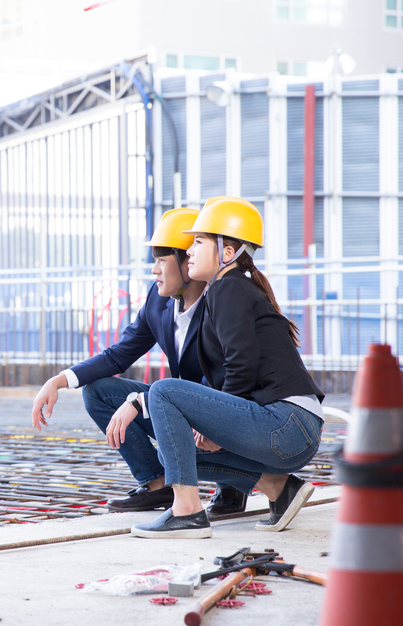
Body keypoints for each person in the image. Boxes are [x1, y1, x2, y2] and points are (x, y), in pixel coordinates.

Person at [30, 208, 248, 516]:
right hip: (185, 408)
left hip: (226, 411)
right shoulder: (158, 301)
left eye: (162, 260)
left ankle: (233, 483)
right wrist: (58, 381)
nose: (155, 271)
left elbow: (231, 375)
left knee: (163, 400)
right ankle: (156, 483)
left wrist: (141, 401)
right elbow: (119, 354)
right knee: (98, 391)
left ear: (189, 261)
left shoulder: (222, 302)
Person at [129, 196, 324, 539]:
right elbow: (223, 372)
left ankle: (186, 512)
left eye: (199, 242)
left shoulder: (229, 287)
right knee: (176, 454)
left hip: (288, 425)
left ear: (227, 253)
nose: (189, 249)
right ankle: (281, 488)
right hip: (290, 430)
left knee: (162, 391)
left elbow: (241, 363)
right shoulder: (226, 290)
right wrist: (205, 425)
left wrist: (213, 426)